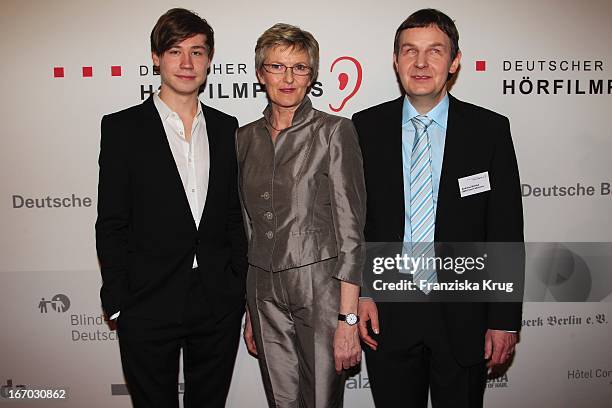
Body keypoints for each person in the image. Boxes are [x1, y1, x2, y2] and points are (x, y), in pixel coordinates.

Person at [352, 9, 524, 408]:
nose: (421, 62)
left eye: (435, 51)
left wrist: (503, 319)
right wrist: (360, 293)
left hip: (465, 314)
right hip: (388, 310)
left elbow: (505, 230)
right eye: (410, 51)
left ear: (455, 61)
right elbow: (354, 224)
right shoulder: (364, 128)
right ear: (395, 61)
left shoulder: (490, 131)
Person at [95, 8, 247, 408]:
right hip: (147, 299)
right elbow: (111, 222)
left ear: (210, 60)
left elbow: (234, 215)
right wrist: (118, 298)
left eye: (197, 52)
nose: (186, 63)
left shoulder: (227, 126)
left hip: (217, 299)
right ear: (155, 57)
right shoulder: (121, 128)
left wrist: (237, 286)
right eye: (175, 50)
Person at [237, 23, 366, 408]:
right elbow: (247, 225)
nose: (288, 78)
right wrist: (250, 309)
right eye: (277, 67)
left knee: (322, 401)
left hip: (321, 287)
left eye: (300, 67)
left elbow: (351, 232)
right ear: (261, 74)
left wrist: (348, 319)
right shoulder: (244, 138)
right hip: (262, 290)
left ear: (313, 74)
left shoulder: (334, 132)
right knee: (281, 401)